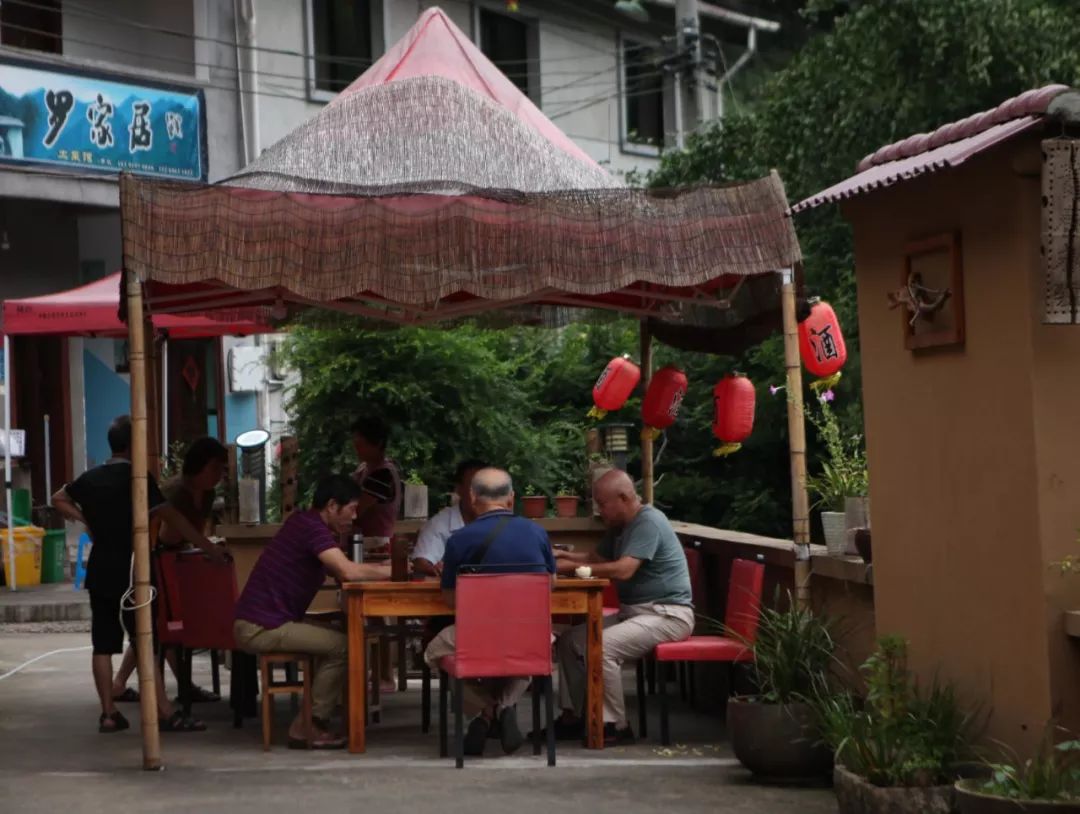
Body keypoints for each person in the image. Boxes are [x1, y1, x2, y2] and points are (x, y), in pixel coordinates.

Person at [51, 415, 226, 734]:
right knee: (147, 641)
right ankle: (164, 711)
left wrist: (85, 519)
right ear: (134, 445)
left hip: (100, 568)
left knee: (102, 645)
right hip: (135, 569)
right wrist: (209, 549)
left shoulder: (89, 479)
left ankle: (108, 712)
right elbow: (173, 516)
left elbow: (58, 498)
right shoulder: (138, 479)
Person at [233, 474, 391, 749]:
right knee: (344, 646)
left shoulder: (305, 525)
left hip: (265, 620)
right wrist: (396, 571)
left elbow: (340, 570)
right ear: (332, 505)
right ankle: (310, 724)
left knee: (342, 635)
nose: (354, 517)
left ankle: (330, 713)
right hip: (261, 626)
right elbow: (347, 571)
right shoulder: (311, 529)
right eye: (351, 509)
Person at [550, 469, 694, 746]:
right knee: (570, 641)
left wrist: (572, 568)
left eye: (603, 504)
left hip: (666, 614)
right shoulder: (619, 526)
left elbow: (624, 569)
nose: (599, 510)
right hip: (635, 613)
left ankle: (615, 724)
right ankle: (575, 717)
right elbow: (595, 556)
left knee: (601, 648)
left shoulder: (648, 522)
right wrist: (563, 554)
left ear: (625, 497)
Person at [424, 468, 556, 758]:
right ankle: (505, 705)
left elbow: (449, 600)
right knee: (538, 648)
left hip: (476, 635)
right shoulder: (537, 533)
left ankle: (486, 709)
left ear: (471, 498)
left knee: (432, 652)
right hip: (527, 634)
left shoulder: (459, 540)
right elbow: (549, 586)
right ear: (511, 498)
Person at [111, 436, 230, 704]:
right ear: (199, 466)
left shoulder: (208, 494)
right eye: (215, 468)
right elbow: (174, 531)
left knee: (158, 629)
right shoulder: (175, 492)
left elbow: (195, 531)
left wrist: (205, 546)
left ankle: (122, 684)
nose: (219, 475)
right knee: (160, 628)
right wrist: (207, 548)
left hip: (179, 560)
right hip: (155, 562)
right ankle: (173, 692)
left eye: (222, 469)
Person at [412, 459, 487, 576]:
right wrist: (438, 570)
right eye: (474, 487)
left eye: (485, 488)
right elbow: (421, 562)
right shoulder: (440, 523)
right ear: (458, 489)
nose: (480, 494)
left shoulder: (503, 522)